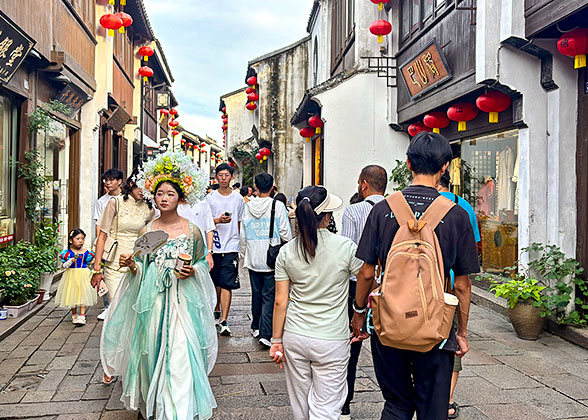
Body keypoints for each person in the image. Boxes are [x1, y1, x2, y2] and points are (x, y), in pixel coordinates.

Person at [351, 132, 480, 420]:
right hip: (436, 327)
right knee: (433, 409)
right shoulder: (456, 215)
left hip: (388, 323)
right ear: (444, 166)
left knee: (396, 404)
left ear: (408, 163)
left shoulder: (383, 209)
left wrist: (359, 313)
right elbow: (461, 284)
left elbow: (366, 272)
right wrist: (461, 331)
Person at [101, 151, 217, 420]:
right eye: (160, 193)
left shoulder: (192, 231)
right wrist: (132, 266)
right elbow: (141, 265)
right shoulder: (147, 230)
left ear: (181, 198)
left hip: (182, 300)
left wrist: (192, 271)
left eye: (170, 194)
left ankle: (179, 409)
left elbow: (201, 261)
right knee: (152, 348)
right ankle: (158, 404)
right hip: (153, 300)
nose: (164, 199)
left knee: (180, 351)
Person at [270, 186, 363, 420]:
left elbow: (281, 301)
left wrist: (276, 340)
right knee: (326, 407)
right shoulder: (345, 247)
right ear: (328, 216)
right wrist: (359, 311)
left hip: (295, 335)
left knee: (301, 405)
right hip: (332, 338)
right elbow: (367, 276)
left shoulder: (287, 251)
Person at [93, 173, 154, 384]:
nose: (143, 191)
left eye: (147, 187)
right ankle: (109, 364)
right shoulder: (115, 203)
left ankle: (129, 360)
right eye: (140, 186)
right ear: (131, 184)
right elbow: (102, 235)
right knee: (116, 312)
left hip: (136, 265)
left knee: (135, 314)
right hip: (114, 266)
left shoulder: (150, 209)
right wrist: (97, 267)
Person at [340, 165, 388, 420]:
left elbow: (349, 254)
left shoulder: (353, 211)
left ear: (363, 184)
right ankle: (395, 401)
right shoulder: (395, 211)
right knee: (389, 344)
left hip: (357, 286)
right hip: (388, 288)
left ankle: (345, 403)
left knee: (351, 345)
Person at [437, 170, 481, 419]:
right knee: (450, 342)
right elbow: (470, 251)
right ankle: (448, 400)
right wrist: (463, 330)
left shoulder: (405, 204)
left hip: (414, 287)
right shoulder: (462, 206)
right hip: (449, 289)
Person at [241, 173, 291, 347]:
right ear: (272, 187)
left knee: (256, 293)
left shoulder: (247, 206)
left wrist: (244, 253)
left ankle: (256, 326)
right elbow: (286, 233)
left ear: (255, 186)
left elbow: (243, 235)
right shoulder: (277, 206)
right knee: (269, 295)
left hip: (253, 256)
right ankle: (265, 332)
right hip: (271, 258)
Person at [206, 163, 245, 336]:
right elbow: (206, 222)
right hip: (214, 245)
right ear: (216, 177)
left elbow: (239, 221)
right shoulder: (210, 198)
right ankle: (216, 308)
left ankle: (224, 320)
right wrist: (217, 220)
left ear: (232, 177)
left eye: (226, 175)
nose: (223, 178)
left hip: (231, 245)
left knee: (227, 283)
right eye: (220, 175)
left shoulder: (238, 199)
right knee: (215, 283)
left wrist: (237, 239)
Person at [93, 168, 123, 320]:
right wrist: (100, 244)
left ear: (119, 181)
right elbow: (98, 225)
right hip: (107, 243)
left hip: (122, 242)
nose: (108, 183)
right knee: (104, 274)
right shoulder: (102, 201)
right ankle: (107, 306)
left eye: (112, 180)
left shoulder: (126, 199)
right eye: (106, 180)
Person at [55, 229, 97, 326]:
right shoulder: (67, 253)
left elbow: (88, 262)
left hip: (84, 274)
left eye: (82, 239)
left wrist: (94, 263)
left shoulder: (86, 252)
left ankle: (82, 315)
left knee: (83, 293)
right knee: (72, 294)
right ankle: (74, 314)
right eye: (78, 239)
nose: (81, 241)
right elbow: (64, 265)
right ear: (71, 241)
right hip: (71, 275)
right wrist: (70, 261)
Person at [177, 200, 215, 271]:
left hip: (200, 252)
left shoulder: (202, 204)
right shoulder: (174, 205)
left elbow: (209, 229)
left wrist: (209, 252)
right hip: (180, 252)